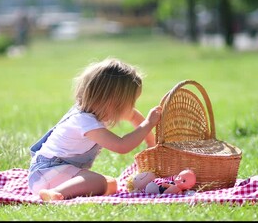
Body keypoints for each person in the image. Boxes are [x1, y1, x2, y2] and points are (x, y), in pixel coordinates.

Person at [28, 58, 162, 201]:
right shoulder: (84, 121)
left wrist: (151, 143)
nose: (132, 106)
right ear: (113, 102)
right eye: (130, 102)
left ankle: (58, 191)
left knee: (111, 184)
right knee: (97, 182)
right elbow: (121, 146)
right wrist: (148, 123)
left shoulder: (96, 111)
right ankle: (54, 193)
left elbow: (133, 115)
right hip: (47, 172)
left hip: (56, 172)